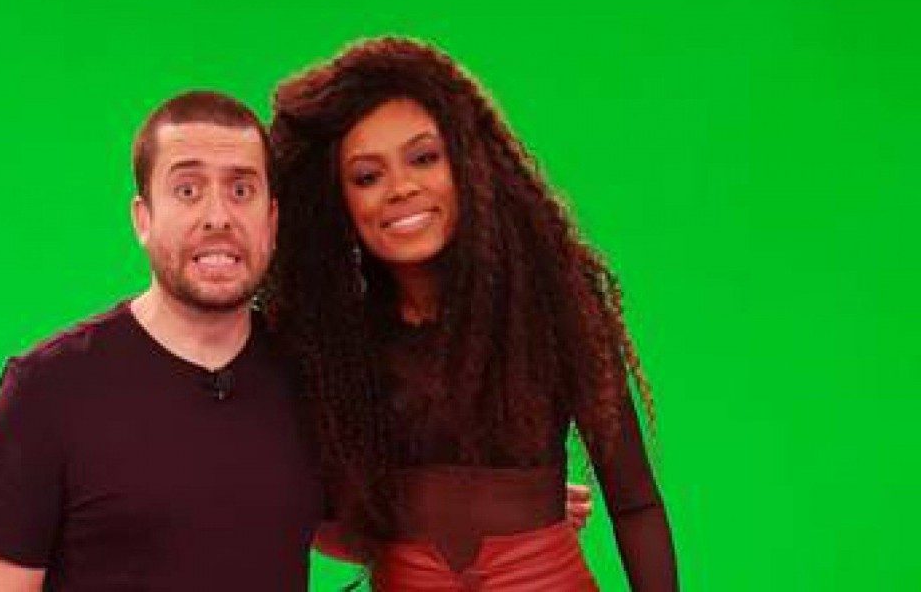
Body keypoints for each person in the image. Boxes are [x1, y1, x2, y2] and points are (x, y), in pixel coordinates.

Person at [268, 38, 678, 590]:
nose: (402, 188)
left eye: (424, 158)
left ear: (468, 165)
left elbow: (635, 504)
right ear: (335, 203)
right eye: (367, 176)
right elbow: (302, 512)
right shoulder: (333, 348)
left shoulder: (554, 311)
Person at [0, 92, 322, 591]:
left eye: (241, 190)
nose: (218, 217)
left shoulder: (312, 380)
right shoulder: (46, 391)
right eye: (188, 190)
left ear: (271, 220)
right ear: (143, 219)